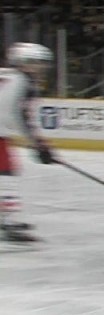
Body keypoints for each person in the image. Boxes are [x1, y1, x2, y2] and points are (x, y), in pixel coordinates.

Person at [0, 42, 58, 244]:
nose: (41, 69)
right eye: (37, 63)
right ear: (23, 62)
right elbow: (21, 117)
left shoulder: (5, 75)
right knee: (6, 173)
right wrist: (38, 144)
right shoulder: (24, 82)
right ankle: (8, 221)